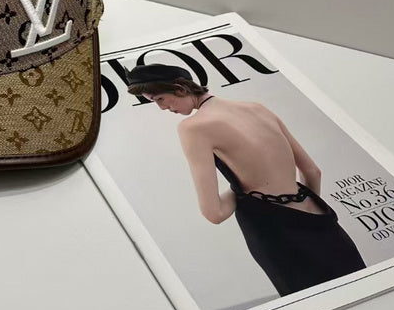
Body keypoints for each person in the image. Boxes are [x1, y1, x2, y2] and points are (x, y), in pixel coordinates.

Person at [126, 63, 366, 297]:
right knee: (365, 291)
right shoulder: (257, 108)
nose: (162, 108)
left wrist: (243, 188)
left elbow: (214, 213)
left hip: (274, 231)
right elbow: (313, 171)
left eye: (159, 99)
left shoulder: (193, 128)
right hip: (322, 220)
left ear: (180, 89)